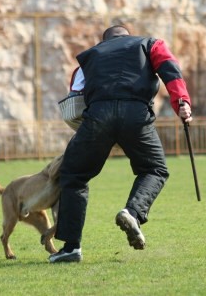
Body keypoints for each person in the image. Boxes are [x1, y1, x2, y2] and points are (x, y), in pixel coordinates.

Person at [49, 25, 193, 263]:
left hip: (98, 115)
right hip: (135, 113)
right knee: (154, 169)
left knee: (73, 175)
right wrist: (182, 103)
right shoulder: (149, 44)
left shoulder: (91, 56)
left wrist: (88, 131)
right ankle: (133, 212)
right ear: (128, 36)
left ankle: (71, 247)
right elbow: (171, 69)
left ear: (104, 40)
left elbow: (74, 98)